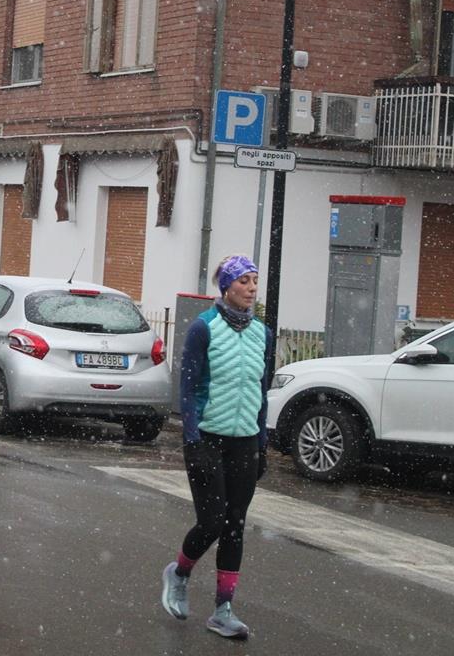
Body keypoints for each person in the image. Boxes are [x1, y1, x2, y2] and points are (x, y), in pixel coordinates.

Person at [160, 254, 273, 640]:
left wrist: (262, 443)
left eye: (255, 281)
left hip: (245, 442)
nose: (252, 289)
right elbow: (188, 387)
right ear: (226, 287)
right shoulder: (203, 328)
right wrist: (192, 439)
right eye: (244, 281)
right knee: (212, 522)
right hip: (207, 439)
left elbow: (261, 391)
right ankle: (179, 573)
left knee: (235, 525)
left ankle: (223, 610)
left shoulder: (263, 333)